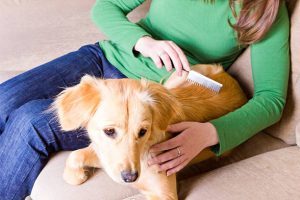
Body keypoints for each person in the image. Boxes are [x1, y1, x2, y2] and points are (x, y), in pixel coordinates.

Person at [0, 0, 290, 199]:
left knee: (30, 123)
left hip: (147, 99)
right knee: (4, 98)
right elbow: (106, 7)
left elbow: (272, 99)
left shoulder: (266, 11)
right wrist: (144, 42)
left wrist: (211, 134)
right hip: (106, 59)